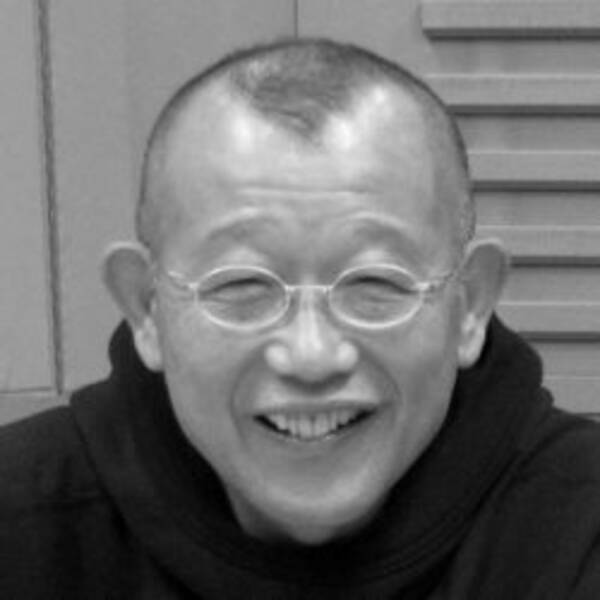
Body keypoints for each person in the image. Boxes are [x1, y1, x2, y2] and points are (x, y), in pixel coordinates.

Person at [1, 38, 600, 599]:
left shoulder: (577, 528)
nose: (311, 356)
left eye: (374, 284)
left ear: (468, 305)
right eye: (242, 286)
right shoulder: (24, 523)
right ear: (147, 308)